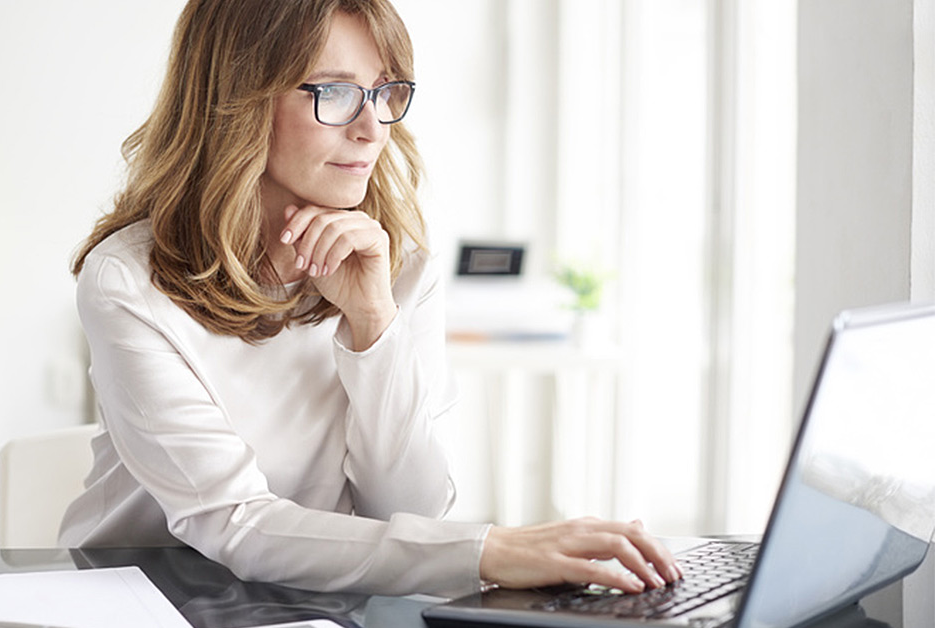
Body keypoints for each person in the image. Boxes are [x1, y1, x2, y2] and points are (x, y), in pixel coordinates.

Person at [61, 0, 682, 598]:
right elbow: (234, 523)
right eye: (333, 92)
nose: (371, 128)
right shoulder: (129, 281)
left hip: (316, 597)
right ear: (237, 102)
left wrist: (374, 324)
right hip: (144, 593)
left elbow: (409, 513)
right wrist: (489, 551)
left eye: (384, 92)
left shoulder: (401, 264)